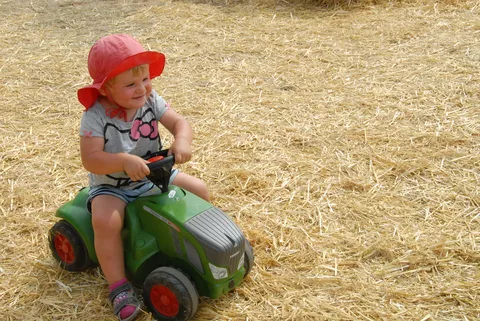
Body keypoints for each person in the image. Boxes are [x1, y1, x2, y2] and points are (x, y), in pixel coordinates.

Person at [77, 34, 209, 321]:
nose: (142, 89)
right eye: (130, 84)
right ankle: (119, 287)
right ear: (106, 88)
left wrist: (182, 140)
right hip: (114, 186)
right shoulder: (95, 116)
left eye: (145, 79)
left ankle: (203, 247)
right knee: (106, 221)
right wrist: (123, 161)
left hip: (156, 173)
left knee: (200, 190)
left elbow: (179, 122)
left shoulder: (151, 100)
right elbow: (91, 158)